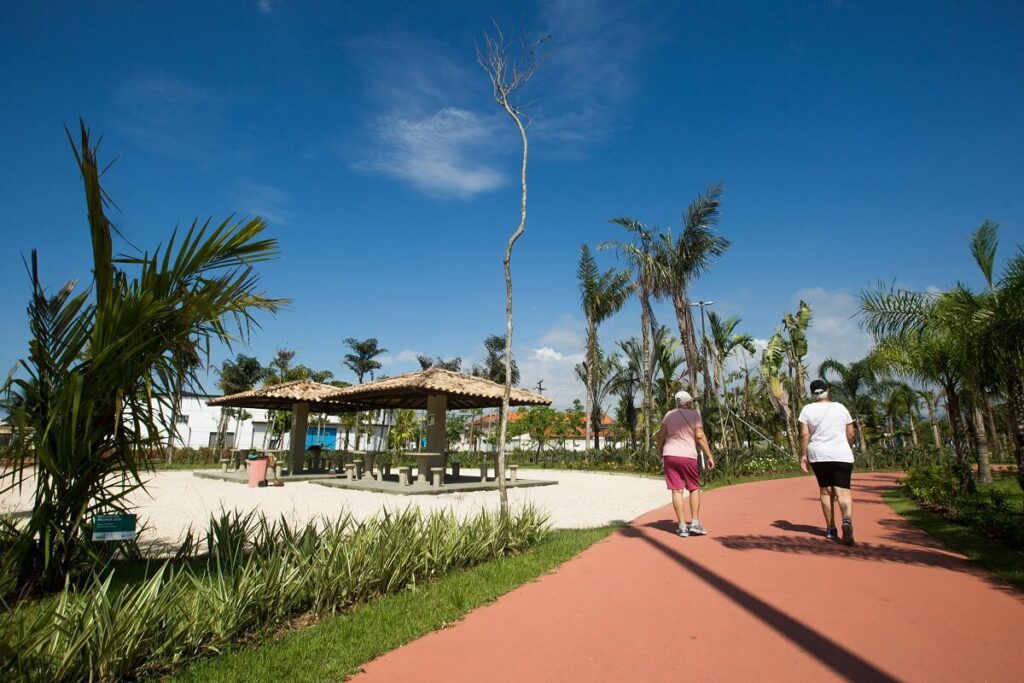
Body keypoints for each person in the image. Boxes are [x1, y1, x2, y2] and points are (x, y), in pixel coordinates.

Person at [799, 378, 857, 545]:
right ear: (827, 390)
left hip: (819, 455)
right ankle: (846, 521)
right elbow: (851, 434)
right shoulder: (841, 408)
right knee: (843, 491)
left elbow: (804, 435)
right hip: (842, 454)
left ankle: (831, 528)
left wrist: (804, 454)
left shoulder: (807, 410)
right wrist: (848, 447)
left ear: (812, 394)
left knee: (825, 491)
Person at [657, 390, 716, 537]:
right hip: (688, 455)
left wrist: (660, 452)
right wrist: (709, 456)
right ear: (688, 402)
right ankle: (694, 523)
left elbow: (661, 435)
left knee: (676, 490)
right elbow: (700, 436)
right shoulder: (694, 414)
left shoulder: (668, 415)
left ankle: (682, 526)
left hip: (670, 454)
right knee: (694, 488)